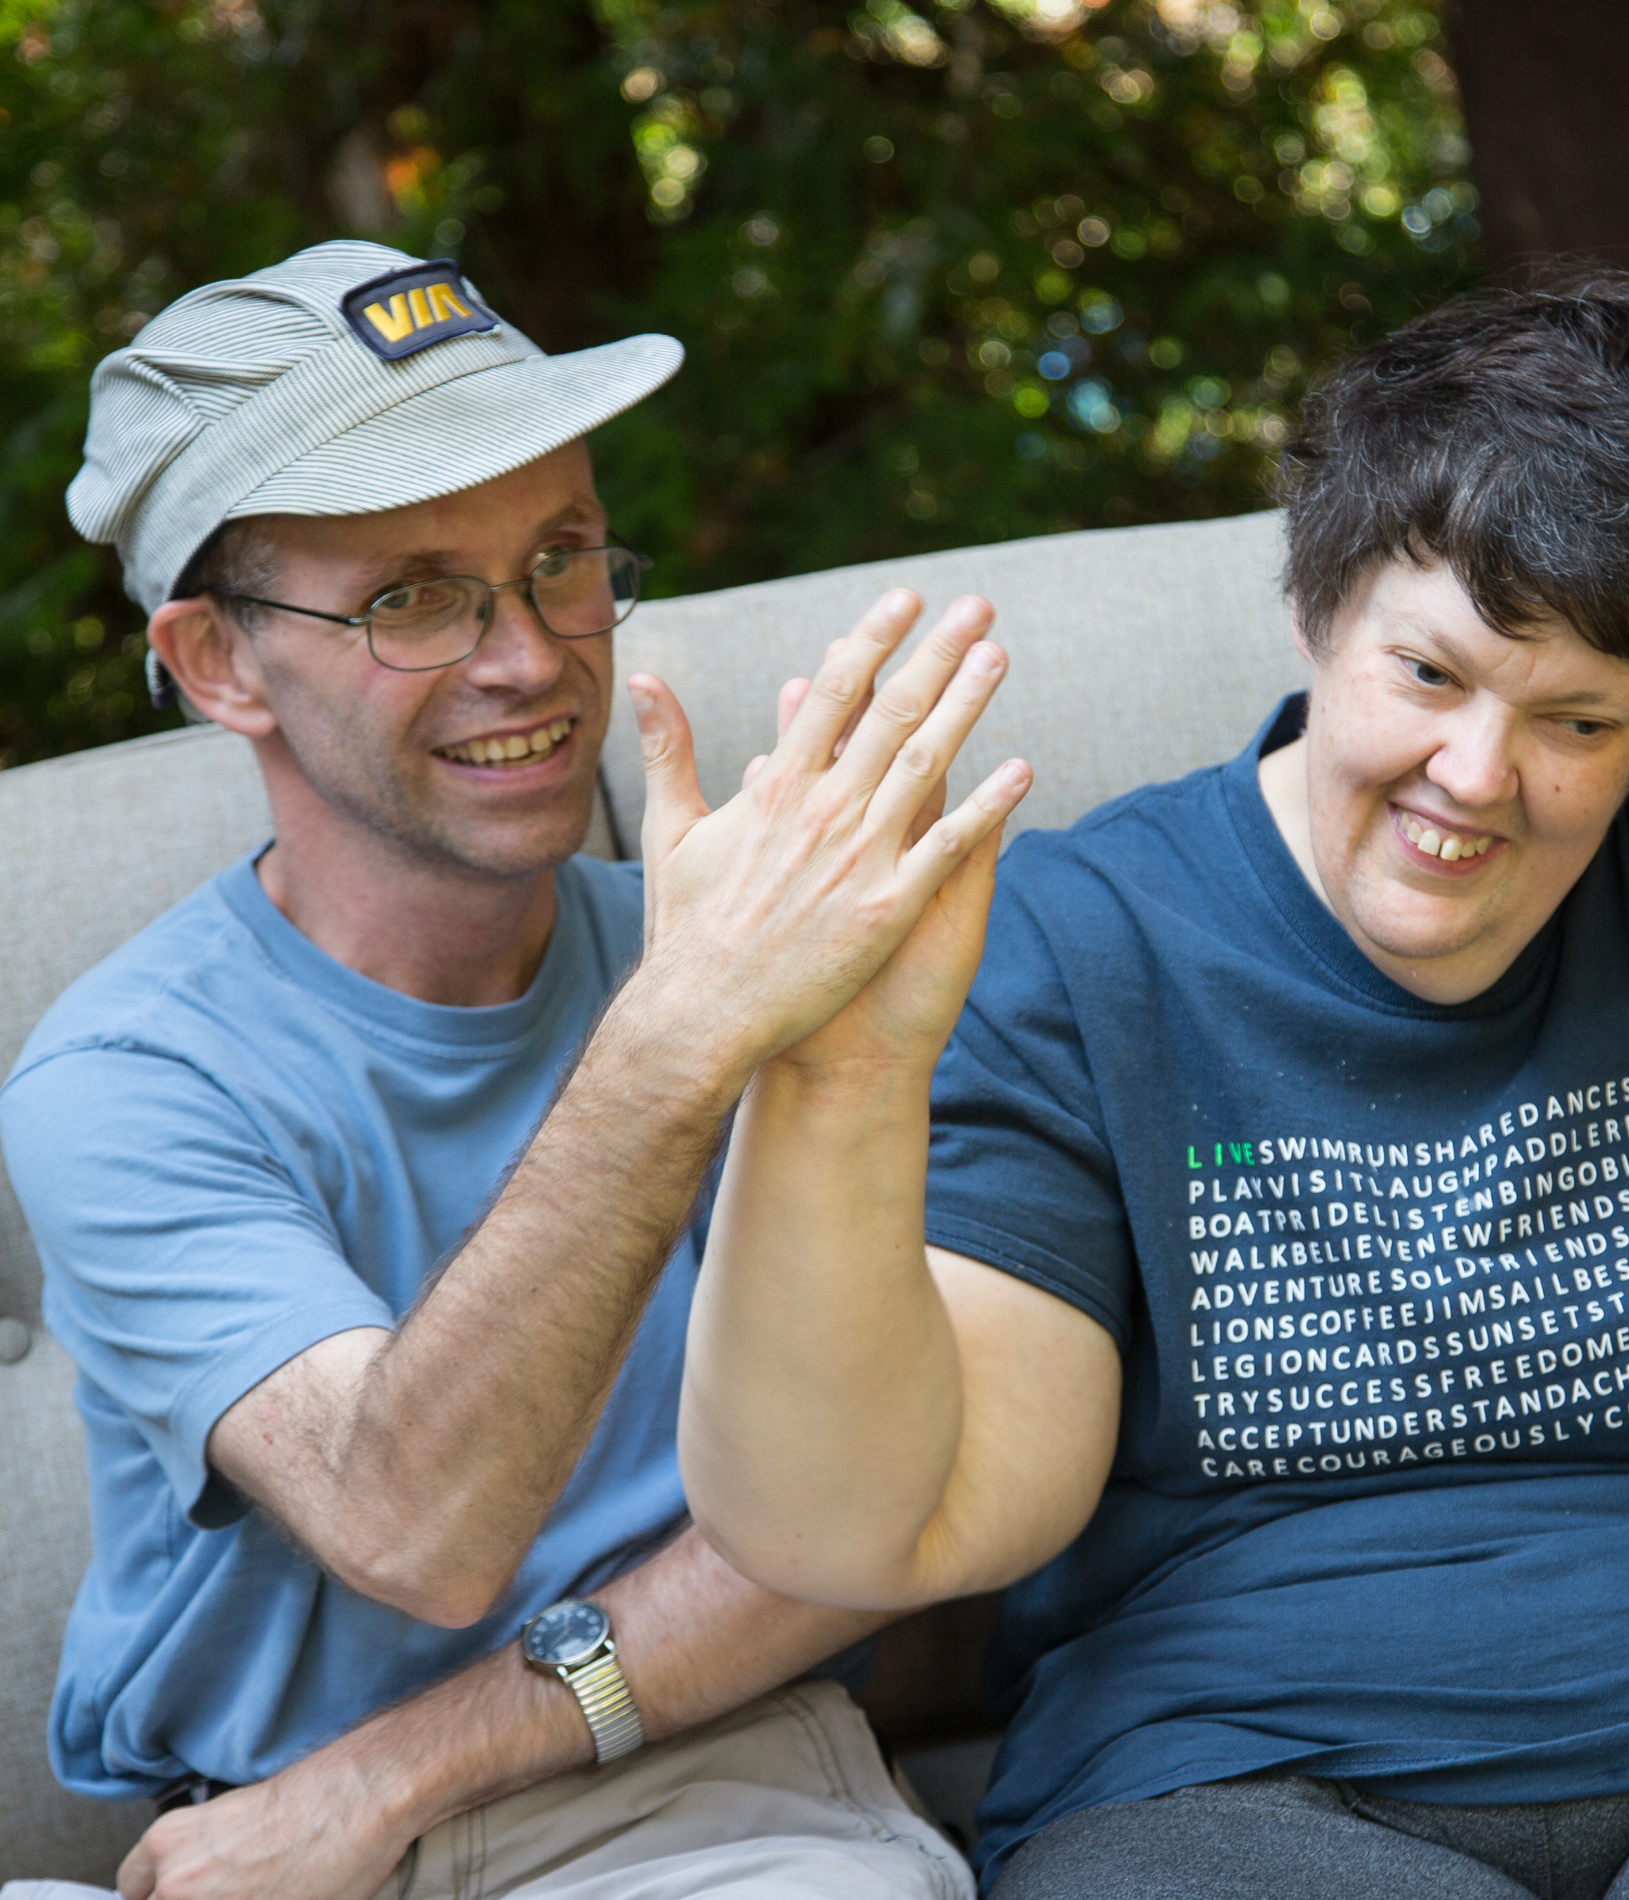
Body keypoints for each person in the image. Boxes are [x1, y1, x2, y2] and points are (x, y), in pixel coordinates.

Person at [676, 276, 1629, 1900]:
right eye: (1431, 675)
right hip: (1244, 1786)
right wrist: (839, 1084)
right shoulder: (1065, 947)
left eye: (1578, 719)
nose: (1476, 776)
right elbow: (880, 1529)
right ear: (1323, 608)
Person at [0, 240, 1028, 1900]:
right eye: (412, 595)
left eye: (559, 559)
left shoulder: (757, 966)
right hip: (235, 1853)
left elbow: (887, 1505)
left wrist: (395, 1776)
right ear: (217, 664)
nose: (533, 658)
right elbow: (410, 1521)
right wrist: (683, 1040)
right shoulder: (127, 1080)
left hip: (709, 1811)